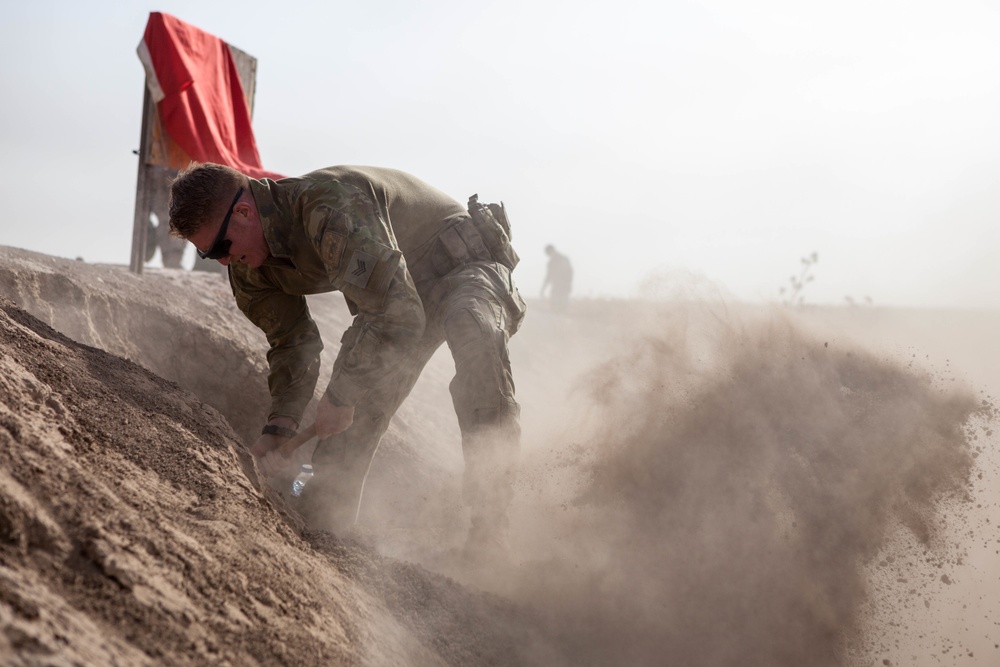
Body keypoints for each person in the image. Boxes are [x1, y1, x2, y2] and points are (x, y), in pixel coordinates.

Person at [168, 163, 525, 563]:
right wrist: (280, 425)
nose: (220, 261)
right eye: (206, 254)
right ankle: (321, 528)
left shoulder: (326, 206)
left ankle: (491, 526)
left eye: (219, 247)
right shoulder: (248, 267)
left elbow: (399, 314)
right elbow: (291, 343)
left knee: (473, 332)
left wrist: (342, 392)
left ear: (244, 212)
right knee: (343, 433)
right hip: (390, 301)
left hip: (463, 267)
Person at [541, 244, 573, 312]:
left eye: (549, 253)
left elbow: (569, 273)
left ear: (553, 251)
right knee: (554, 308)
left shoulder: (563, 259)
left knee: (563, 308)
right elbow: (548, 277)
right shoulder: (550, 263)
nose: (550, 255)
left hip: (564, 288)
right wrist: (543, 288)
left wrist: (568, 284)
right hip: (556, 288)